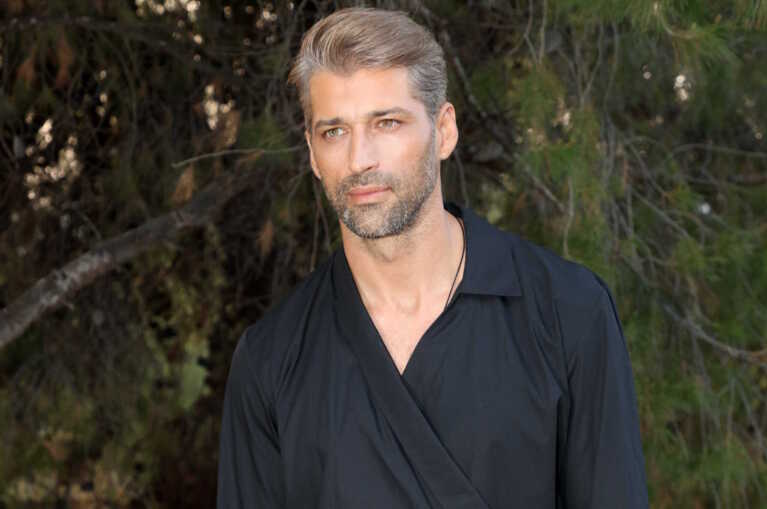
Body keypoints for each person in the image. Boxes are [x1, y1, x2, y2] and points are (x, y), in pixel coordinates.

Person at [216, 7, 648, 509]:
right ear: (312, 153)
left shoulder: (568, 312)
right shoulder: (271, 359)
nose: (359, 160)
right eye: (334, 132)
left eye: (387, 123)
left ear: (443, 131)